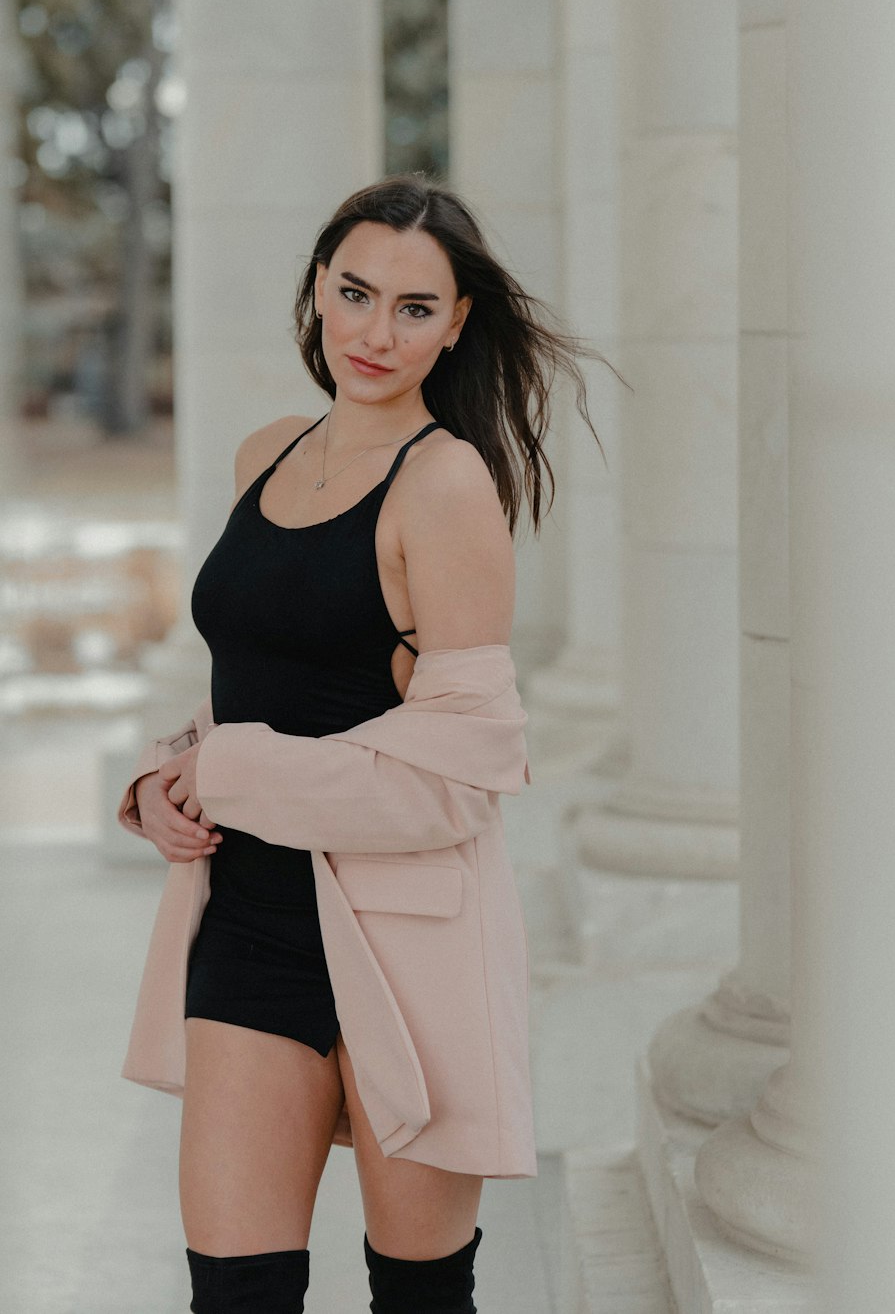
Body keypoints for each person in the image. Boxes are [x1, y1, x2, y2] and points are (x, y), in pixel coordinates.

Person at [118, 173, 619, 1314]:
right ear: (316, 292)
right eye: (354, 293)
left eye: (412, 307)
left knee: (419, 1299)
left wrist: (233, 771)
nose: (374, 332)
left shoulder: (447, 487)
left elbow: (459, 779)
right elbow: (251, 689)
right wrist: (167, 776)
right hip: (248, 927)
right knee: (234, 1296)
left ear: (456, 326)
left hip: (407, 945)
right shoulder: (264, 455)